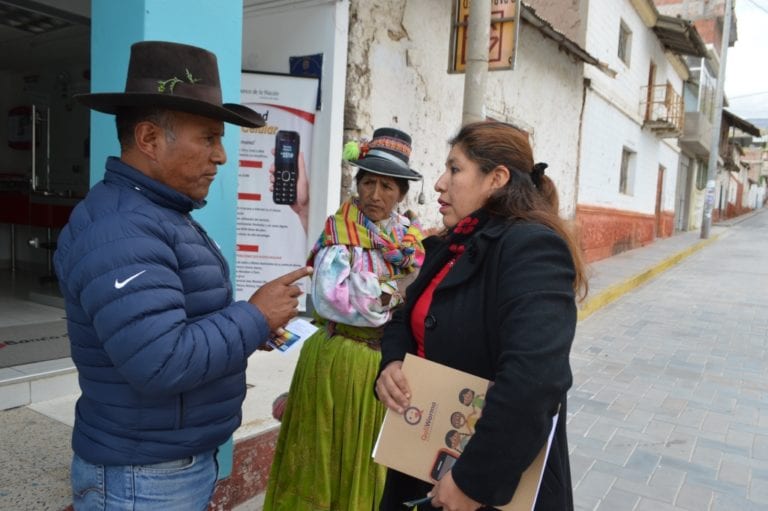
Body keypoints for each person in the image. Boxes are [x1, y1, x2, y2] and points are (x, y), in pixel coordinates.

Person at [54, 41, 311, 511]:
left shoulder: (157, 213)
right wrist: (253, 317)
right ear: (150, 139)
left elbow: (176, 326)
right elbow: (159, 359)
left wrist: (252, 326)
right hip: (142, 479)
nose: (221, 156)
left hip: (165, 466)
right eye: (209, 138)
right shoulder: (122, 228)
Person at [375, 120, 588, 511]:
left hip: (486, 487)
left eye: (455, 169)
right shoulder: (447, 245)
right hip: (422, 461)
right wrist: (391, 363)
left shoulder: (532, 247)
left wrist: (474, 481)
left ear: (497, 178)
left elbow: (535, 380)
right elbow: (405, 317)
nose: (440, 183)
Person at [263, 128, 426, 511]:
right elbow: (340, 300)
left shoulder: (408, 240)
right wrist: (399, 288)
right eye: (368, 182)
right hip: (338, 361)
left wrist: (384, 288)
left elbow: (397, 295)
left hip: (385, 367)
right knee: (322, 463)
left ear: (402, 194)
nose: (375, 195)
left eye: (388, 186)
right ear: (357, 185)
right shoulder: (339, 233)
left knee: (372, 466)